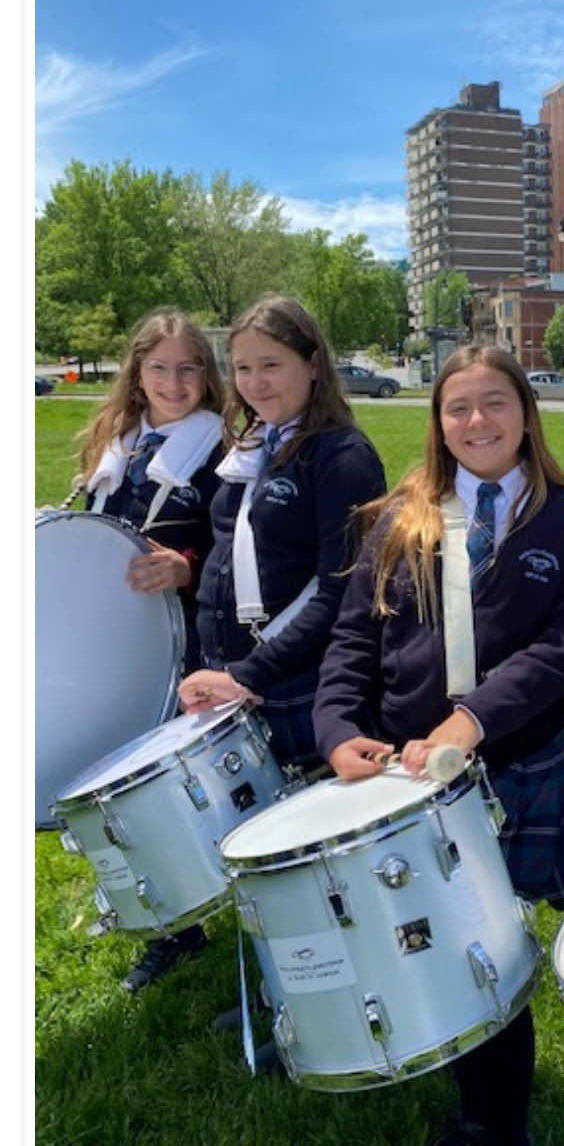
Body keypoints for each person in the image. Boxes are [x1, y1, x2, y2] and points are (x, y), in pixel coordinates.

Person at [316, 346, 564, 1146]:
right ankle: (471, 1098)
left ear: (526, 413)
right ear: (437, 422)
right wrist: (337, 728)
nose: (477, 423)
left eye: (494, 405)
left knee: (496, 948)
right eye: (458, 409)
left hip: (513, 762)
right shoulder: (400, 515)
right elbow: (351, 639)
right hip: (406, 774)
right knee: (433, 944)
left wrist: (471, 721)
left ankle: (503, 1140)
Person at [167, 297, 387, 1000]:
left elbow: (340, 592)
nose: (256, 382)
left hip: (298, 680)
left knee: (315, 855)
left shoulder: (342, 455)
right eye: (242, 368)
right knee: (262, 846)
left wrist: (250, 672)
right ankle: (287, 987)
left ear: (313, 365)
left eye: (272, 365)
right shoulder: (250, 447)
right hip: (236, 681)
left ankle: (348, 994)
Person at [70, 311, 229, 991]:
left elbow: (240, 549)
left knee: (180, 782)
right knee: (119, 779)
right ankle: (174, 926)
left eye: (188, 367)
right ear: (137, 373)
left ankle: (231, 895)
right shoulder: (119, 442)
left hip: (183, 638)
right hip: (110, 641)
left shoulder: (224, 450)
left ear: (206, 375)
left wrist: (186, 566)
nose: (173, 381)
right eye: (158, 367)